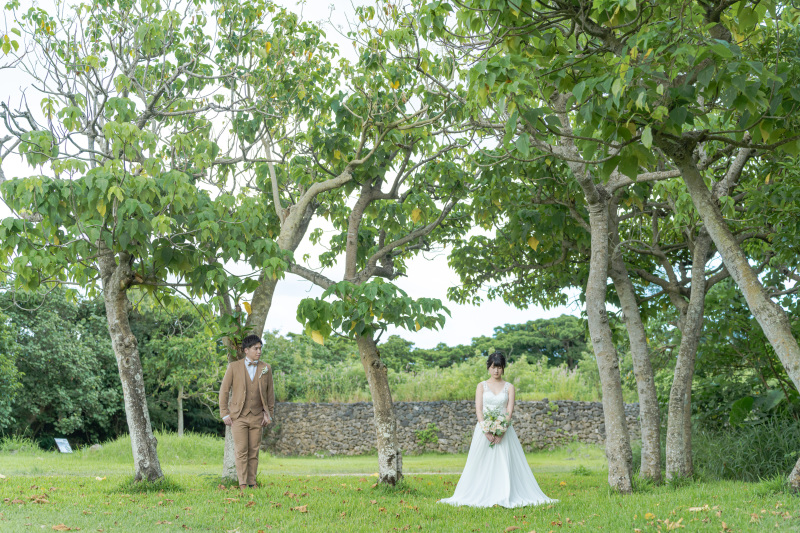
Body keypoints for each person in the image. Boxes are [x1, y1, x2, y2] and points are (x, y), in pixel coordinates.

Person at [439, 351, 557, 508]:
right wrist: (486, 430)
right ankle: (481, 492)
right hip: (483, 430)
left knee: (505, 463)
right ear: (488, 367)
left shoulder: (509, 387)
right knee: (480, 464)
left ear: (503, 369)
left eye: (499, 367)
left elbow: (509, 411)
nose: (496, 371)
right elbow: (479, 410)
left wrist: (502, 430)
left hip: (505, 431)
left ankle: (505, 492)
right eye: (494, 367)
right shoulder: (481, 386)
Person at [219, 334, 275, 490]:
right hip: (238, 417)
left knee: (254, 451)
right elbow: (224, 391)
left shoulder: (266, 368)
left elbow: (270, 393)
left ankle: (252, 482)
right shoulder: (234, 367)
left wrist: (268, 414)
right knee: (241, 450)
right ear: (246, 350)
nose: (259, 351)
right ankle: (242, 483)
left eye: (260, 348)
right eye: (255, 348)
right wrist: (224, 413)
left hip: (258, 416)